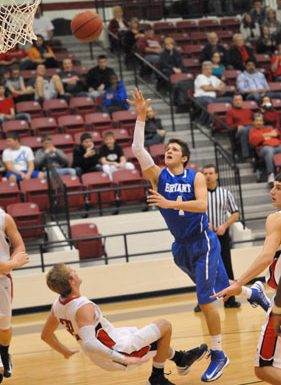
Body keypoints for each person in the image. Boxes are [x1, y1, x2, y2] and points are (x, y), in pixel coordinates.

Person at [129, 88, 232, 382]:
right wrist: (140, 118)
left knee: (206, 297)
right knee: (223, 289)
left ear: (184, 157)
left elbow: (202, 205)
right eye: (167, 149)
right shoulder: (159, 176)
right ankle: (256, 292)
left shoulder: (196, 176)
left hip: (204, 243)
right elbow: (138, 150)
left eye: (174, 149)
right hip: (181, 249)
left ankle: (218, 353)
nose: (168, 151)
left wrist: (170, 202)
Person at [41, 264, 208, 385]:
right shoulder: (83, 306)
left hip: (104, 350)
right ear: (71, 281)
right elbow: (89, 343)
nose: (75, 271)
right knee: (164, 326)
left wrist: (64, 351)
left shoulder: (57, 306)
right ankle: (157, 378)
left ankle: (181, 359)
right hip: (116, 352)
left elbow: (46, 335)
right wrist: (124, 359)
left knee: (156, 340)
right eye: (72, 270)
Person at [212, 173, 281, 385]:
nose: (272, 191)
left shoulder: (276, 219)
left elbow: (266, 256)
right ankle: (255, 294)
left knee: (264, 368)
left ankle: (254, 293)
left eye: (278, 187)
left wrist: (239, 283)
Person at [201, 164, 240, 310]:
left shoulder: (225, 193)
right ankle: (202, 301)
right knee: (203, 269)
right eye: (205, 173)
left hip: (222, 235)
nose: (208, 176)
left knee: (226, 267)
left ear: (216, 175)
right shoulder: (199, 195)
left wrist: (224, 226)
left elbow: (235, 213)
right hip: (204, 236)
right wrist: (205, 224)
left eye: (211, 173)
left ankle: (229, 300)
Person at [0, 208, 29, 382]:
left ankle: (4, 351)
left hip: (2, 280)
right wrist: (12, 263)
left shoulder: (4, 218)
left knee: (4, 326)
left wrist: (14, 260)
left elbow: (19, 246)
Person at [194, 61, 232, 125]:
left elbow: (222, 83)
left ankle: (227, 121)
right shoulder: (200, 77)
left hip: (213, 98)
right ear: (203, 70)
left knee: (229, 100)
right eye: (207, 69)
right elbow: (205, 88)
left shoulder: (213, 77)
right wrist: (217, 88)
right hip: (201, 98)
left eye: (210, 69)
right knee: (209, 103)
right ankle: (202, 122)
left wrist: (221, 86)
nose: (209, 71)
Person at [249, 113, 281, 185]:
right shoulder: (252, 131)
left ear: (263, 122)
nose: (259, 122)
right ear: (253, 122)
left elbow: (277, 133)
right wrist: (269, 134)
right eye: (257, 121)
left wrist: (263, 136)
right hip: (263, 148)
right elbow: (254, 141)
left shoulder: (268, 128)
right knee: (268, 151)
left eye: (260, 121)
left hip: (277, 145)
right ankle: (271, 174)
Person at [225, 93, 254, 161]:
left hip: (251, 128)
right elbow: (229, 125)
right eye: (236, 100)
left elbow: (256, 120)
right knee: (244, 130)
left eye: (240, 100)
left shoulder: (248, 110)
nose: (238, 102)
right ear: (233, 101)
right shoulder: (230, 111)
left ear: (242, 101)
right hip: (238, 132)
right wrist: (237, 126)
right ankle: (246, 156)